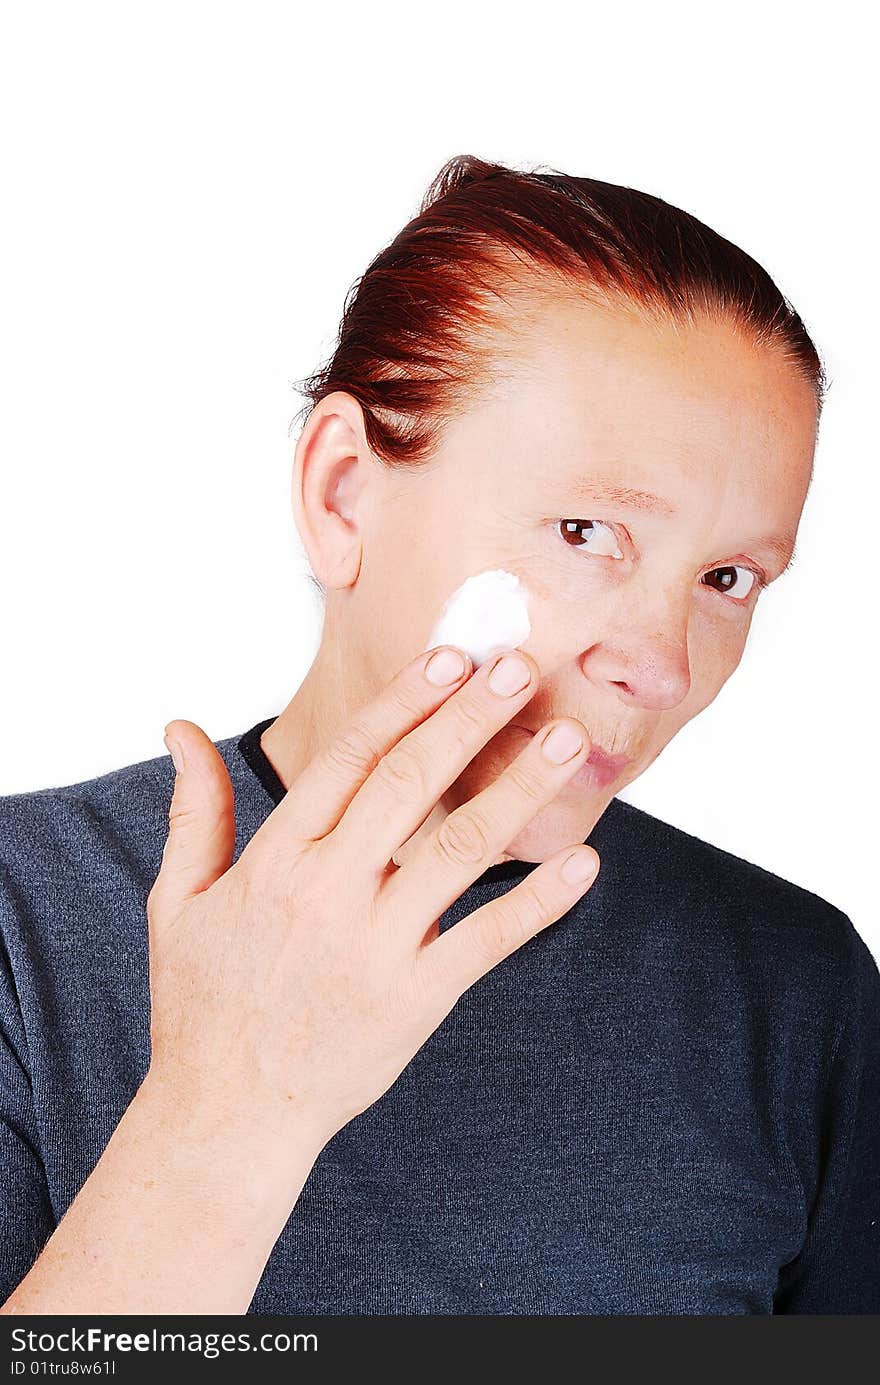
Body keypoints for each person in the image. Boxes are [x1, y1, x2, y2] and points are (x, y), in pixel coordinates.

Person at [1, 156, 877, 1316]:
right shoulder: (25, 923)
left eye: (728, 575)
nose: (664, 665)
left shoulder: (794, 989)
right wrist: (232, 1108)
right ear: (343, 494)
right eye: (586, 529)